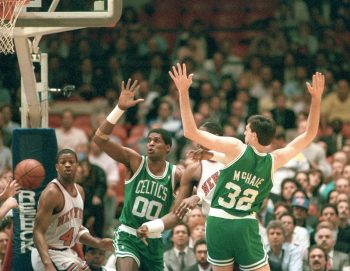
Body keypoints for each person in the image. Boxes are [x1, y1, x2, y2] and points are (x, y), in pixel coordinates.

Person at [169, 63, 324, 271]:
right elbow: (309, 134)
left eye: (247, 129)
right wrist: (316, 99)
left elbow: (191, 131)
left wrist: (183, 92)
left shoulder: (236, 148)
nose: (244, 132)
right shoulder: (274, 160)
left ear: (253, 135)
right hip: (246, 224)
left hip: (217, 221)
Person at [93, 79, 182, 271]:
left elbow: (180, 210)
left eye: (156, 141)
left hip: (154, 240)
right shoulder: (135, 161)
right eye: (148, 140)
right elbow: (99, 138)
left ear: (168, 147)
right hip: (128, 235)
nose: (150, 144)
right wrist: (119, 109)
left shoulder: (176, 174)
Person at [32, 149, 113, 271]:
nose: (67, 165)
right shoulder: (52, 193)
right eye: (63, 162)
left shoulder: (80, 191)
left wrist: (98, 243)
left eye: (71, 162)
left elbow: (76, 229)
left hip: (66, 252)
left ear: (77, 166)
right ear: (56, 167)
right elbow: (37, 231)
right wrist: (47, 264)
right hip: (47, 253)